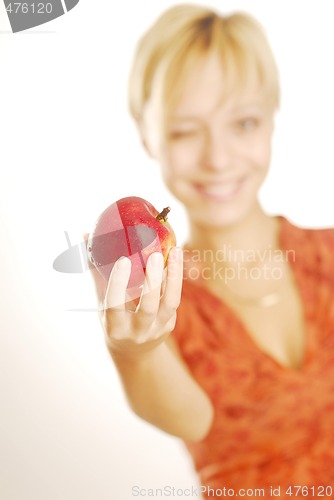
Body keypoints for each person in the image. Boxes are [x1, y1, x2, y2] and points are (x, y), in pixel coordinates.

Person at [87, 4, 334, 497]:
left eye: (243, 123)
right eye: (184, 130)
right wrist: (136, 352)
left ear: (271, 123)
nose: (217, 158)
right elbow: (195, 422)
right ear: (145, 133)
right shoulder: (163, 301)